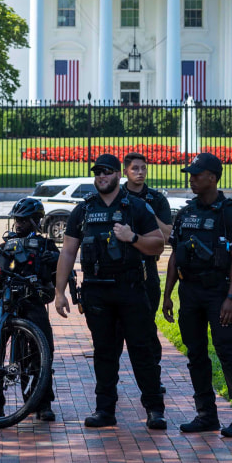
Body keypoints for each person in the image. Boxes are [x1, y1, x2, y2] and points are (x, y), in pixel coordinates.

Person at [54, 153, 167, 429]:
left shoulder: (136, 207)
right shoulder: (83, 210)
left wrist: (133, 238)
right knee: (104, 353)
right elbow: (68, 251)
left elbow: (158, 245)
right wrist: (59, 292)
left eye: (106, 172)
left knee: (142, 351)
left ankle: (154, 409)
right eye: (98, 173)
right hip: (96, 291)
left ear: (118, 175)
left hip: (131, 289)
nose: (101, 177)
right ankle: (105, 410)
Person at [162, 152, 232, 438]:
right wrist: (167, 295)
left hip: (218, 293)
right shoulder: (187, 213)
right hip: (189, 292)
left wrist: (231, 298)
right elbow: (175, 257)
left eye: (196, 174)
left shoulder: (230, 212)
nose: (191, 179)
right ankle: (206, 415)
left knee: (227, 352)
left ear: (212, 178)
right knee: (196, 354)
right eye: (190, 174)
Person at [0, 197, 60, 421]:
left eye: (24, 220)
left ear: (36, 221)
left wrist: (56, 260)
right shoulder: (5, 247)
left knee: (43, 351)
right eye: (17, 219)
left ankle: (42, 403)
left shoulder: (47, 247)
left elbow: (55, 285)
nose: (19, 224)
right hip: (6, 304)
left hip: (33, 303)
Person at [121, 152, 175, 314]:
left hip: (147, 267)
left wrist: (148, 213)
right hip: (121, 267)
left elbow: (168, 236)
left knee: (146, 327)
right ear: (125, 172)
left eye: (143, 169)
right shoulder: (117, 197)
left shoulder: (157, 199)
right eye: (135, 169)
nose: (140, 172)